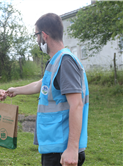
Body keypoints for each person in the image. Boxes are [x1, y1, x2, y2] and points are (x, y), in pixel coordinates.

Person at [7, 13, 89, 166]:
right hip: (54, 145)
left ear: (44, 35)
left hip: (63, 149)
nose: (37, 40)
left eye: (36, 35)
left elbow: (77, 104)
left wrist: (72, 149)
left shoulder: (65, 61)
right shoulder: (56, 60)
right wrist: (15, 90)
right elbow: (41, 85)